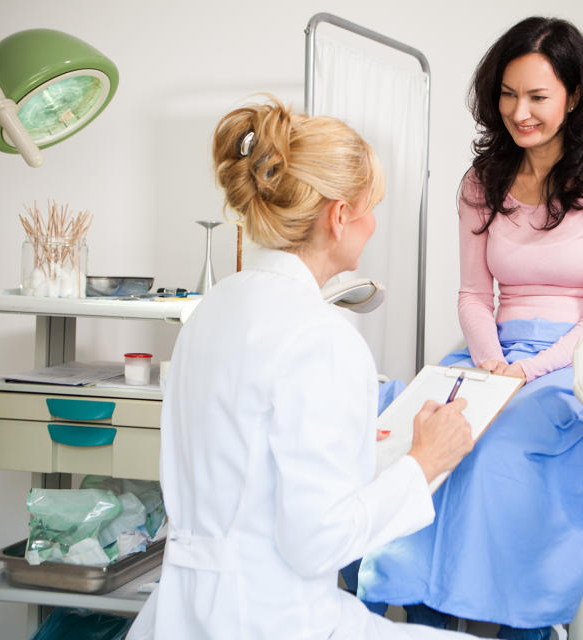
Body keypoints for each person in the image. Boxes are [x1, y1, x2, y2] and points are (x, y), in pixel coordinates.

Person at [126, 99, 477, 640]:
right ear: (339, 216)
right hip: (272, 619)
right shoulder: (322, 337)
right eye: (370, 207)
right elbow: (318, 542)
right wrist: (425, 462)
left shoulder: (211, 309)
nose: (375, 223)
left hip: (184, 616)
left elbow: (250, 465)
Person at [358, 17, 583, 640]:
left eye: (538, 97)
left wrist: (530, 370)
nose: (520, 111)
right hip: (493, 349)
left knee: (498, 447)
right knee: (426, 430)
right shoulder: (482, 182)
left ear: (573, 96)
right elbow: (472, 294)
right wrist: (493, 362)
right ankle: (419, 610)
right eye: (508, 94)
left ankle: (522, 622)